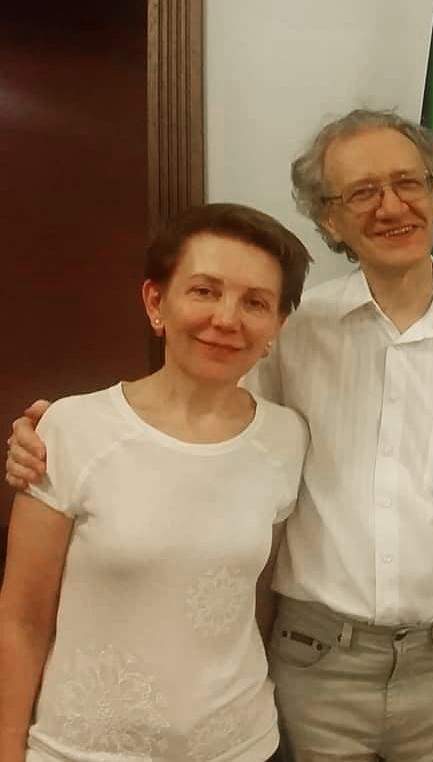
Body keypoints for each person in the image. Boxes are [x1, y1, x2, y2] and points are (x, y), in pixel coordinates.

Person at [6, 108, 433, 762]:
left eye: (409, 182)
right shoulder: (289, 330)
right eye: (360, 193)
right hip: (315, 660)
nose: (390, 206)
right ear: (330, 219)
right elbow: (199, 436)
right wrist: (53, 443)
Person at [0, 203, 312, 762]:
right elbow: (21, 619)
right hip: (82, 750)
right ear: (155, 302)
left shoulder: (287, 439)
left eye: (256, 303)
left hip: (239, 745)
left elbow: (256, 599)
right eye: (204, 291)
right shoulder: (72, 430)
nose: (227, 318)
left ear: (277, 327)